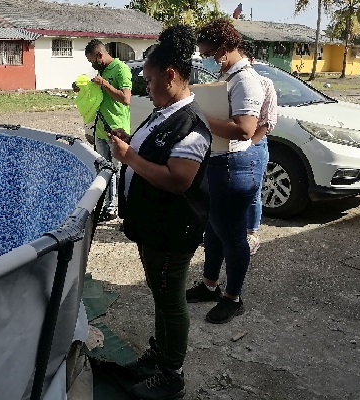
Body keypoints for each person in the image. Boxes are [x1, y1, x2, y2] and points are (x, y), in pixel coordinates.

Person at [109, 24, 211, 400]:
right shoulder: (164, 112)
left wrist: (129, 156)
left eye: (149, 80)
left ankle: (172, 374)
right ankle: (159, 356)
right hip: (155, 226)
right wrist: (127, 142)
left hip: (173, 230)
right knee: (161, 294)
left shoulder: (193, 126)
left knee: (171, 301)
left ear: (170, 75)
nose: (145, 87)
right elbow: (149, 150)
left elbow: (177, 180)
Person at [185, 19, 265, 324]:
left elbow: (245, 129)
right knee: (213, 230)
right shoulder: (227, 77)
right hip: (217, 161)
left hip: (234, 166)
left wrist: (199, 119)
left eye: (210, 53)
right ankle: (209, 285)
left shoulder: (245, 80)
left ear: (224, 48)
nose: (208, 60)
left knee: (232, 236)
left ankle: (234, 298)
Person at [74, 39, 132, 222]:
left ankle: (113, 207)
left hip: (117, 128)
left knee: (115, 169)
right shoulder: (101, 70)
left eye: (92, 60)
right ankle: (104, 205)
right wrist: (80, 87)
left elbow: (126, 98)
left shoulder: (121, 69)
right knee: (102, 169)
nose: (92, 64)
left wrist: (104, 84)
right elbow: (94, 92)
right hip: (100, 128)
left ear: (100, 55)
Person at [238, 41, 278, 255]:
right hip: (232, 144)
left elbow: (267, 122)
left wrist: (248, 144)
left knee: (253, 191)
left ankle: (252, 234)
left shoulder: (264, 83)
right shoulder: (228, 81)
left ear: (252, 61)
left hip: (254, 143)